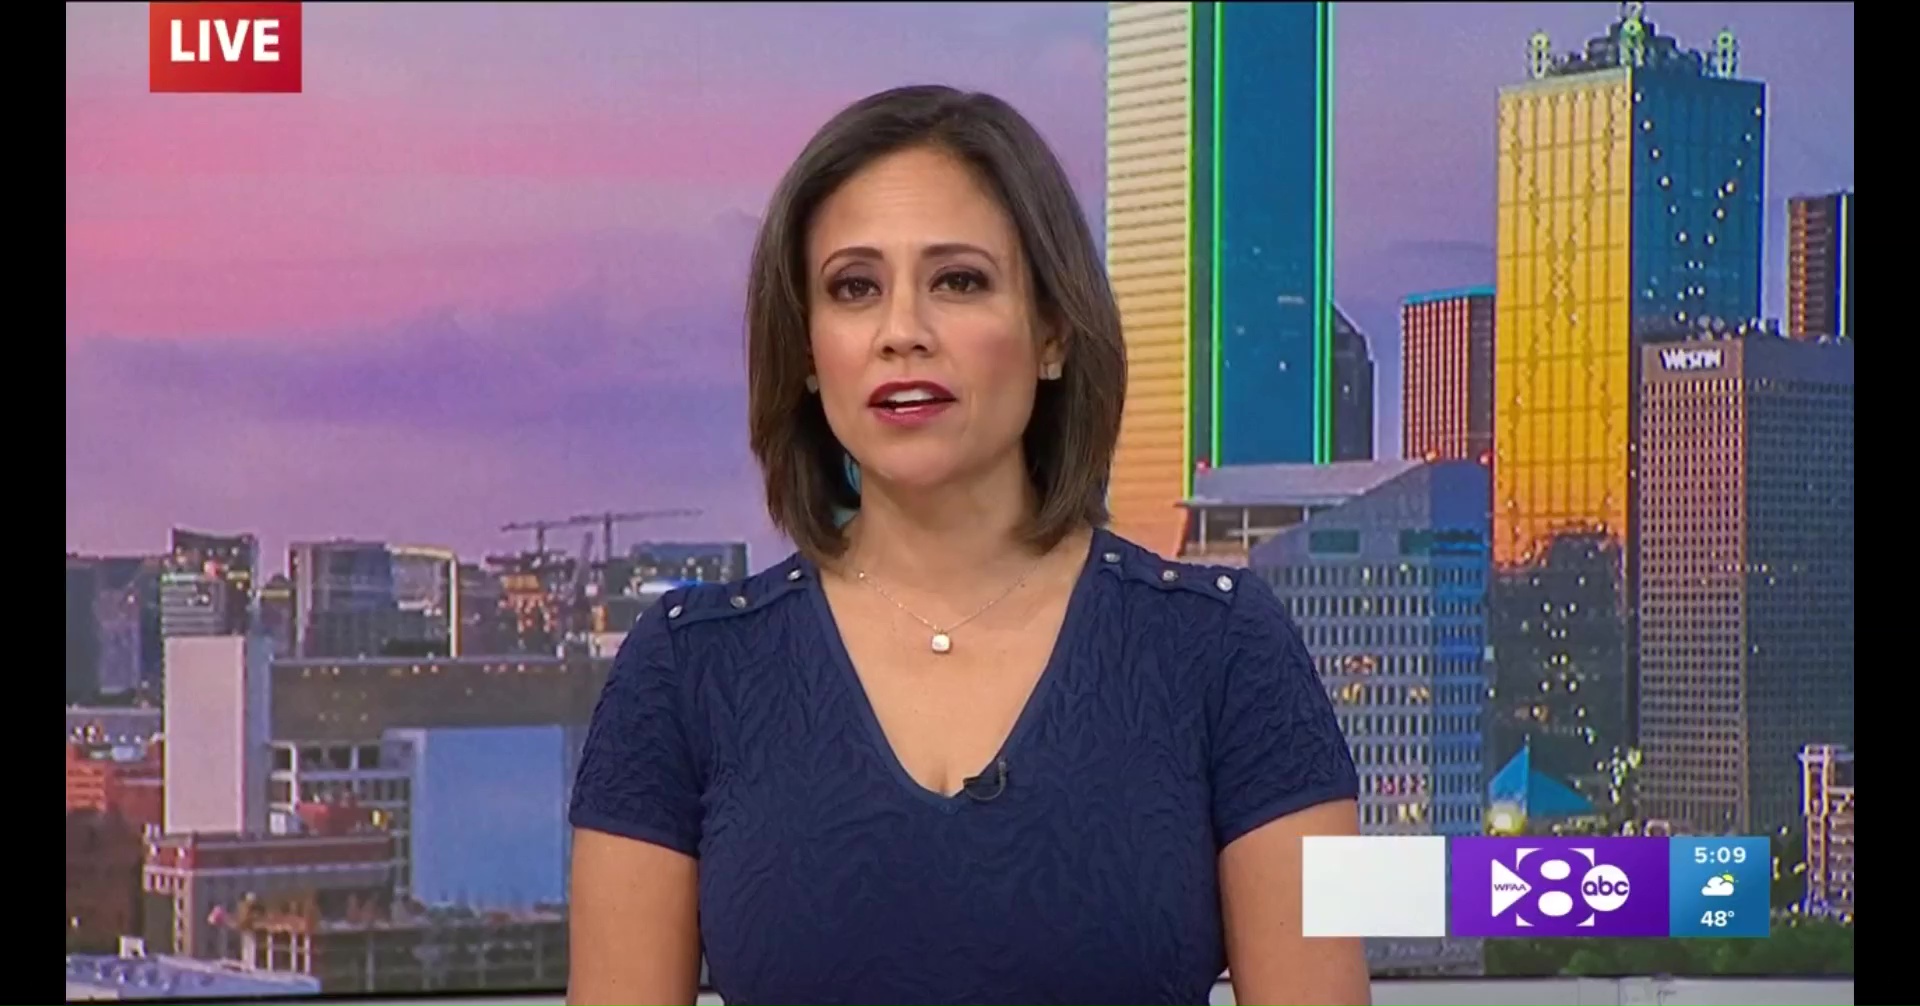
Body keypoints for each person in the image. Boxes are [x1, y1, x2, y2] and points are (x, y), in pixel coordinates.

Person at [567, 84, 1367, 1006]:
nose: (902, 333)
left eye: (958, 281)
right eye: (854, 288)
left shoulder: (1222, 651)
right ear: (807, 353)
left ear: (1053, 332)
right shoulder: (688, 669)